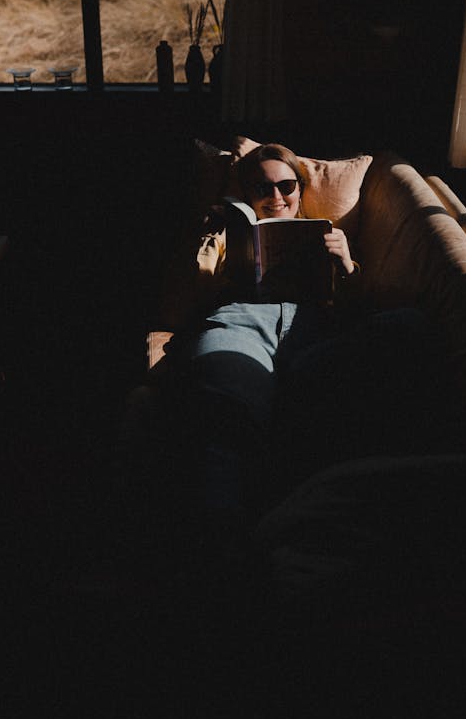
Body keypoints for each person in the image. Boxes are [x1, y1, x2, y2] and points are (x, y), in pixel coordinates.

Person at [155, 143, 440, 534]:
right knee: (224, 416)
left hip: (315, 335)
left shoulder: (328, 235)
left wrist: (345, 265)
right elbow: (181, 302)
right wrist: (212, 237)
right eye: (261, 189)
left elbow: (361, 312)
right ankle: (222, 540)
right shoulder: (224, 231)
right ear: (246, 194)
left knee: (407, 326)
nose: (276, 198)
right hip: (241, 327)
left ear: (300, 190)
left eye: (286, 186)